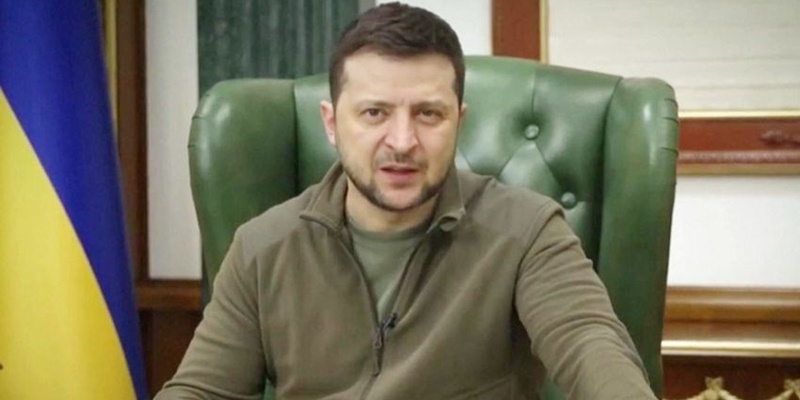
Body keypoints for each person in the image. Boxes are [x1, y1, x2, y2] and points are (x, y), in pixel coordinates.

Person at [156, 2, 658, 399]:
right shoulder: (262, 247)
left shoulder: (527, 231)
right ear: (331, 123)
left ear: (459, 121)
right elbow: (201, 390)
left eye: (428, 114)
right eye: (374, 113)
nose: (402, 141)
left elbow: (590, 344)